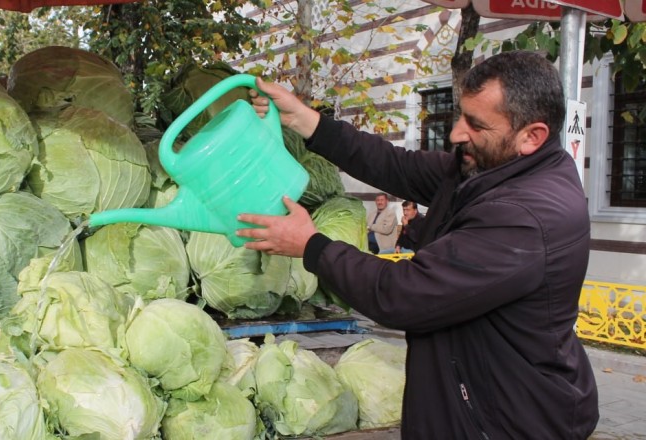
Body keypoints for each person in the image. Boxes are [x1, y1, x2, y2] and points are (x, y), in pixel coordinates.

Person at [237, 51, 599, 439]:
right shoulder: (488, 167)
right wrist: (305, 121)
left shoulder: (526, 217)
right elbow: (397, 165)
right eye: (461, 115)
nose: (457, 133)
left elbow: (404, 294)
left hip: (506, 420)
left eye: (476, 125)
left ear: (532, 136)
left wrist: (311, 245)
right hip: (472, 401)